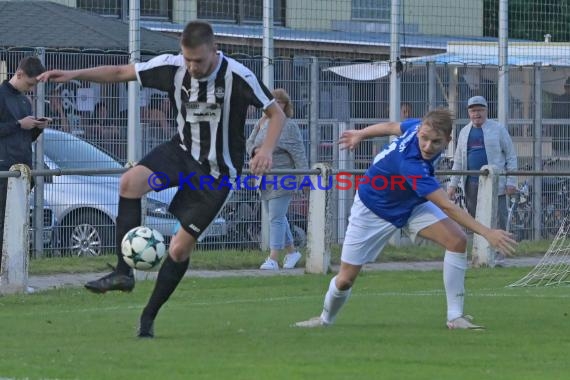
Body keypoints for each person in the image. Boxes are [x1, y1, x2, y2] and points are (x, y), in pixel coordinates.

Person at [38, 20, 285, 338]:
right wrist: (74, 74)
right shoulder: (172, 68)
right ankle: (123, 273)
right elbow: (119, 73)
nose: (192, 67)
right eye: (188, 59)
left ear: (215, 50)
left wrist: (265, 150)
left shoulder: (238, 75)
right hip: (180, 155)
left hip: (216, 175)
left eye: (199, 60)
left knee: (180, 250)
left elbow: (275, 112)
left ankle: (147, 318)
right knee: (130, 183)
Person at [294, 108, 516, 330]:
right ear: (419, 131)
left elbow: (391, 126)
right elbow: (447, 206)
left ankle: (455, 317)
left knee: (457, 241)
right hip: (373, 210)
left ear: (448, 140)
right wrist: (487, 232)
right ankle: (324, 319)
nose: (428, 146)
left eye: (436, 142)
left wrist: (361, 134)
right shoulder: (410, 163)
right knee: (344, 280)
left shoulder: (419, 128)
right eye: (424, 139)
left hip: (411, 203)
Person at [447, 96, 518, 266]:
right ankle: (480, 253)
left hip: (495, 184)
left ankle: (500, 254)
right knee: (475, 220)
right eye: (473, 110)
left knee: (499, 217)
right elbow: (458, 160)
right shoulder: (464, 132)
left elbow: (511, 156)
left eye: (479, 110)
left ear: (486, 111)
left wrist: (511, 182)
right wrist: (452, 185)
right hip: (471, 183)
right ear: (469, 113)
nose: (476, 114)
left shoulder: (498, 129)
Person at [246, 88, 309, 270]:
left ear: (286, 105)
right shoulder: (261, 122)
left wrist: (304, 179)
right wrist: (257, 151)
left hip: (283, 177)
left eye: (280, 101)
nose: (277, 104)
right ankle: (292, 252)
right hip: (263, 177)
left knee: (275, 217)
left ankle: (273, 257)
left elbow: (299, 154)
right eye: (273, 101)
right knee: (277, 217)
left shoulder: (289, 126)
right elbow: (249, 143)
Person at [0, 56, 51, 270]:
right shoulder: (1, 96)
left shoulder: (24, 101)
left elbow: (23, 137)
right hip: (4, 170)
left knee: (18, 224)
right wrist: (19, 124)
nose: (30, 89)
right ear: (19, 74)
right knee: (3, 222)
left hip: (23, 170)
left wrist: (37, 127)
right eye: (29, 84)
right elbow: (11, 129)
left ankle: (14, 271)